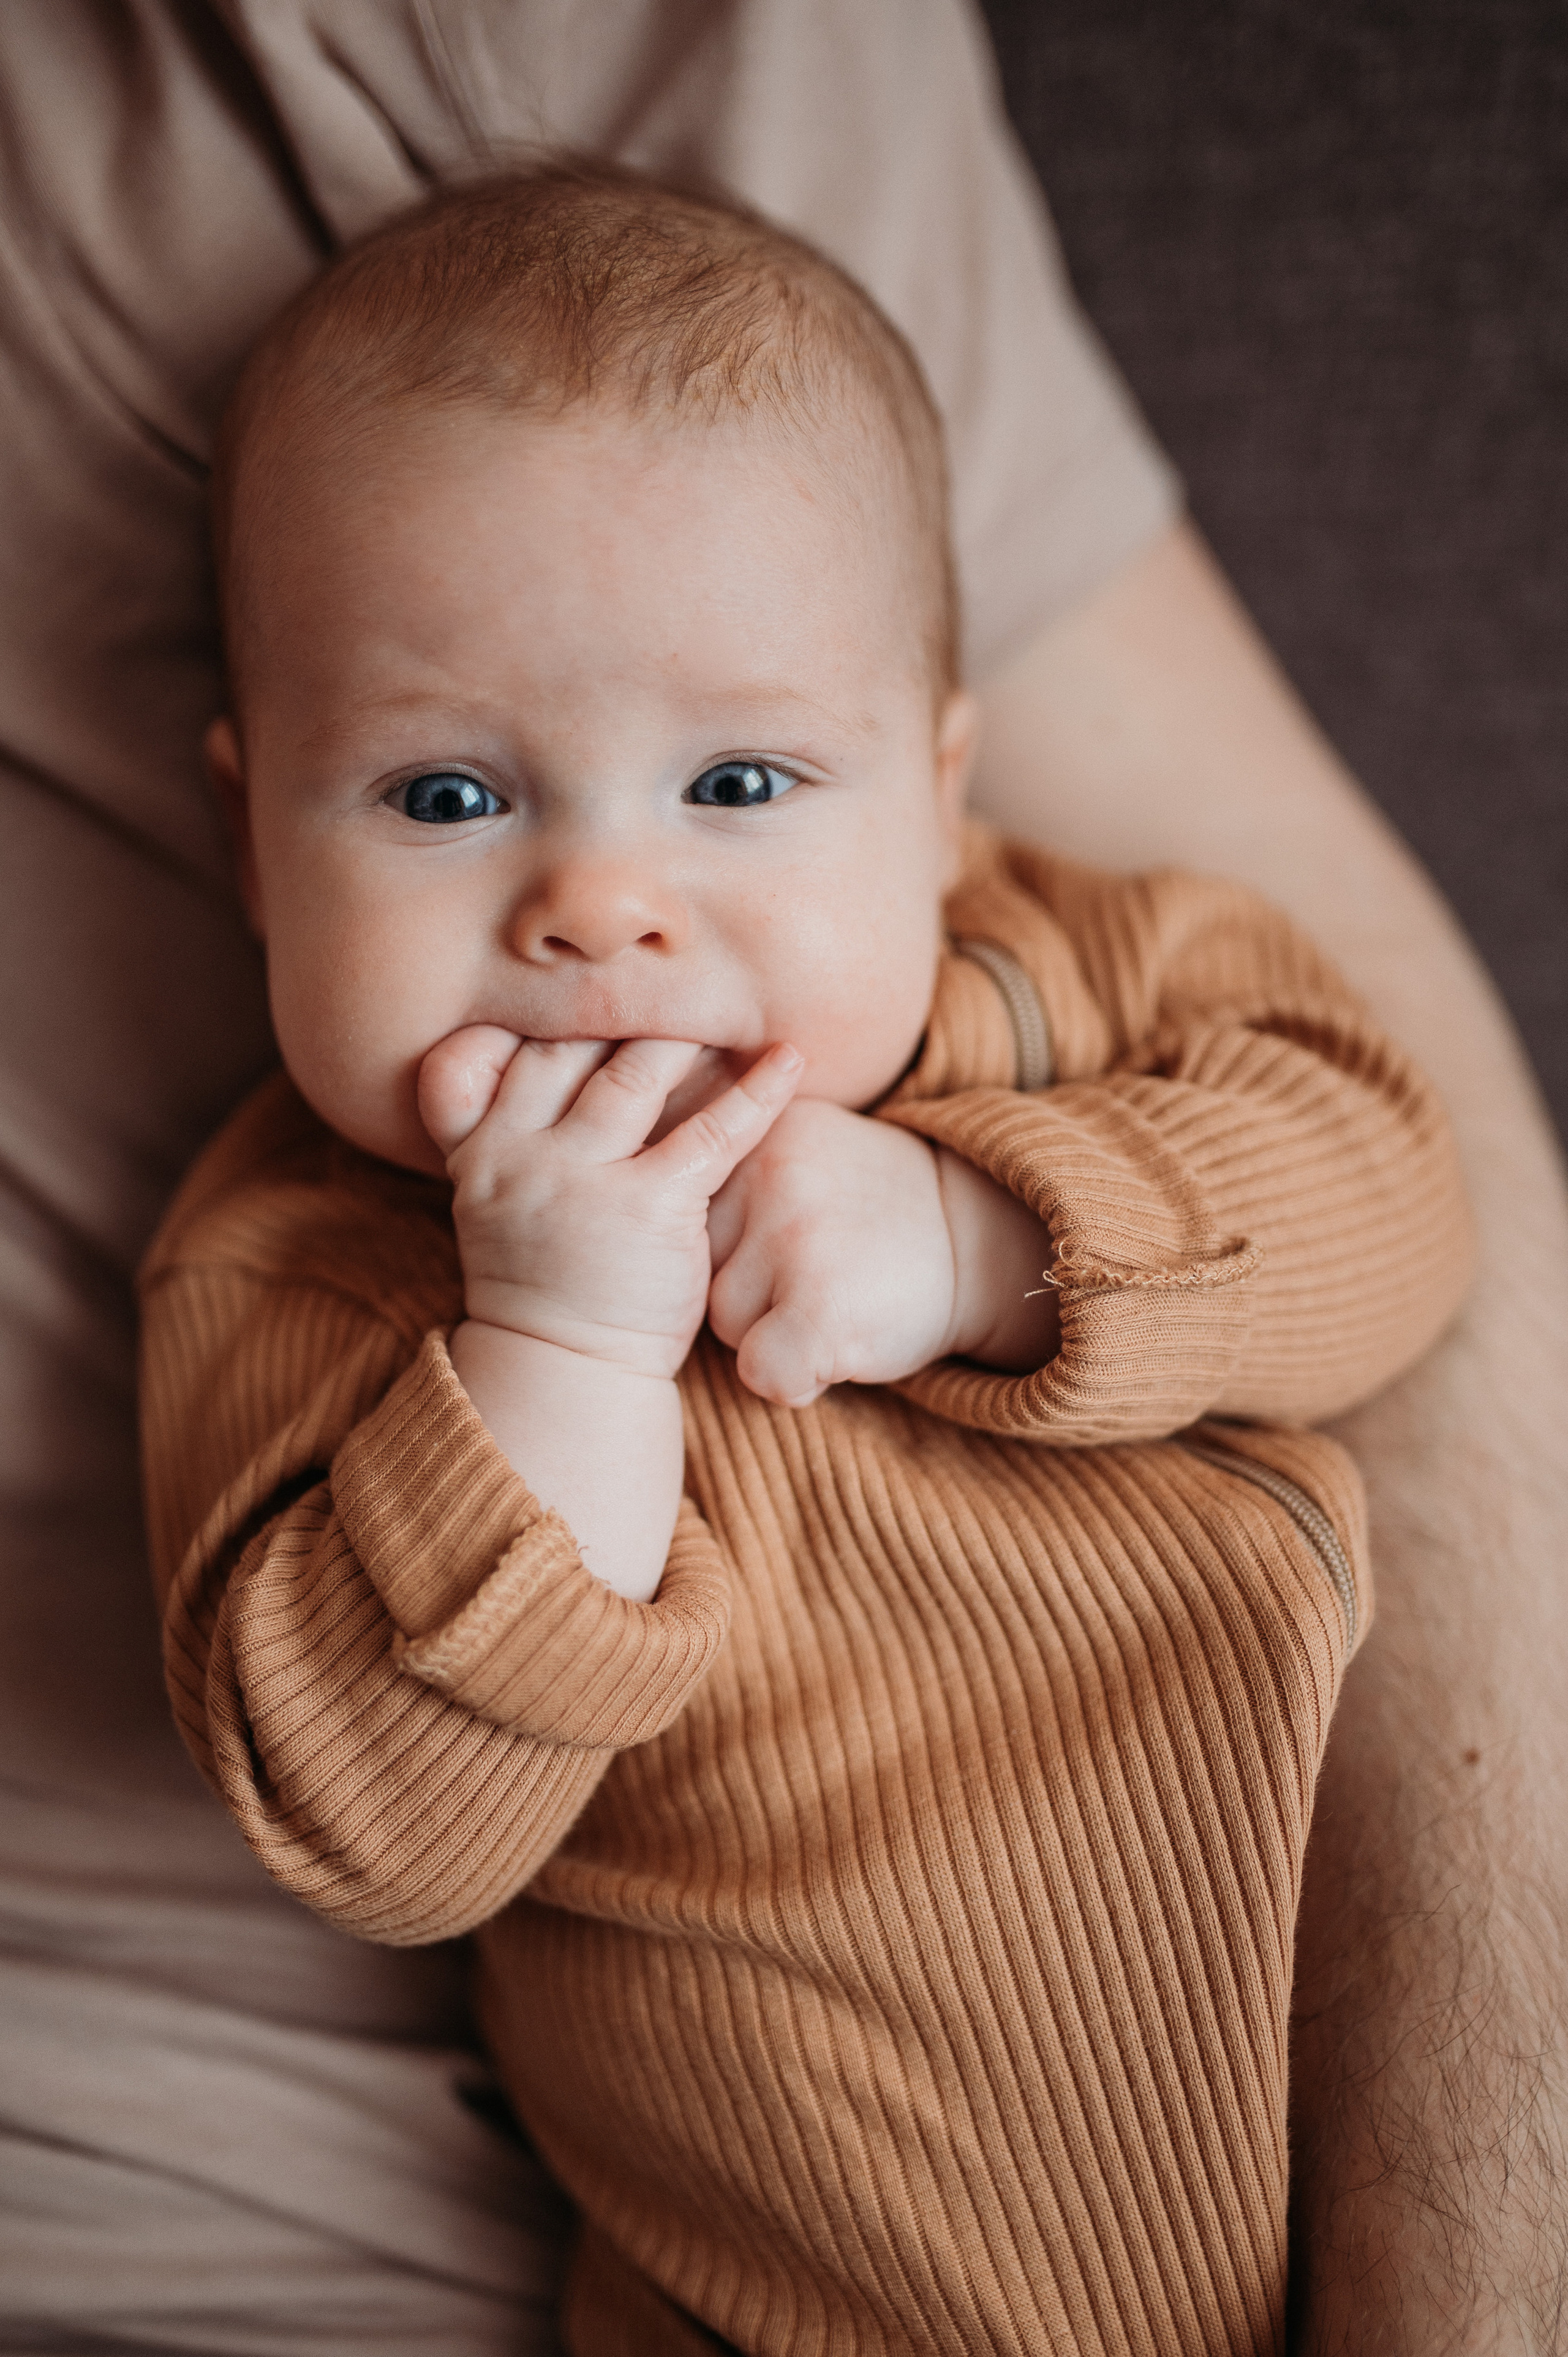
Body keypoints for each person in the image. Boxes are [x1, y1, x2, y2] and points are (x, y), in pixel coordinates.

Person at [1, 6, 1563, 2351]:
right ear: (251, 838)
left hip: (1345, 2108)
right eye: (445, 799)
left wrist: (994, 1235)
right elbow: (383, 1836)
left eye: (740, 786)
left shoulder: (1056, 983)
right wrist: (554, 1358)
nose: (604, 906)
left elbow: (1396, 1186)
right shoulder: (299, 1277)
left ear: (942, 795)